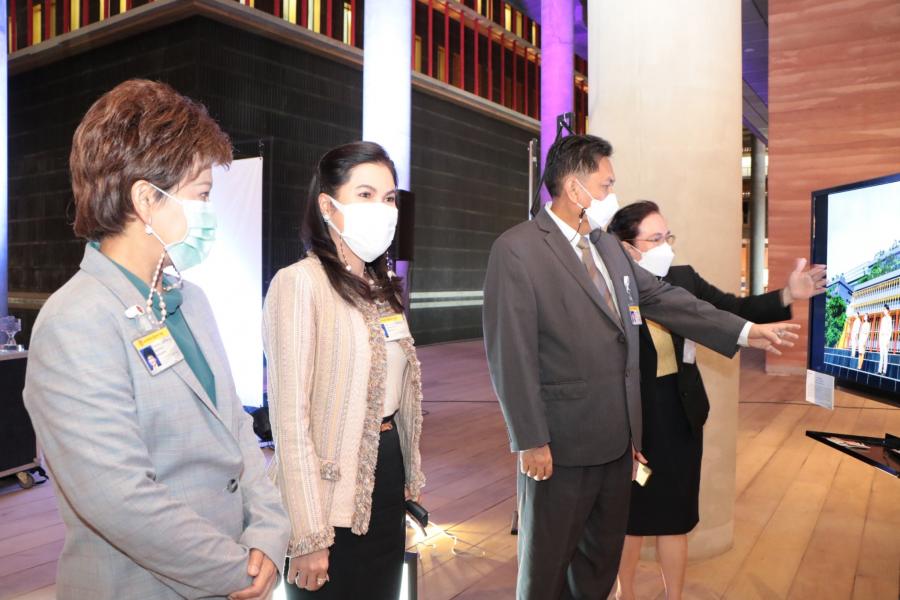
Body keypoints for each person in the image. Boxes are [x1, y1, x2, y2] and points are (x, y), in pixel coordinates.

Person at [482, 134, 799, 600]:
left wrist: (744, 331)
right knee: (547, 567)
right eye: (606, 185)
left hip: (618, 445)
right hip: (560, 445)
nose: (612, 194)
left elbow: (664, 299)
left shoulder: (606, 247)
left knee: (598, 563)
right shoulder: (518, 249)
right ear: (574, 189)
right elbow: (510, 352)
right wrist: (530, 439)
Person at [23, 80, 290, 600]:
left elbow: (236, 429)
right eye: (202, 195)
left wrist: (267, 534)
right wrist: (236, 569)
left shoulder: (192, 301)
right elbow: (117, 497)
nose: (209, 212)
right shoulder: (75, 319)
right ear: (147, 199)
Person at [607, 200, 826, 600]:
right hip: (634, 422)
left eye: (668, 236)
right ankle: (626, 594)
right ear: (626, 247)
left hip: (680, 414)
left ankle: (674, 596)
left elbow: (733, 308)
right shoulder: (610, 293)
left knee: (675, 517)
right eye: (654, 239)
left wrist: (786, 295)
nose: (665, 246)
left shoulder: (683, 279)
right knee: (632, 519)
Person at [262, 141, 426, 599]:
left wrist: (408, 479)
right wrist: (309, 534)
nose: (383, 209)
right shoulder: (299, 284)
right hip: (327, 496)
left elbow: (399, 394)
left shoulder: (381, 287)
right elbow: (290, 423)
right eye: (365, 195)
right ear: (328, 206)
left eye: (389, 198)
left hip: (385, 476)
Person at [878, 304, 893, 375]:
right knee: (881, 355)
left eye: (884, 309)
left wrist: (888, 340)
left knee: (885, 355)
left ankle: (884, 371)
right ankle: (879, 370)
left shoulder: (889, 318)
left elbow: (890, 330)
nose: (883, 310)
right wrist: (879, 338)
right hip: (881, 338)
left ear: (887, 310)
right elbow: (881, 329)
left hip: (886, 338)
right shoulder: (883, 319)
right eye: (883, 309)